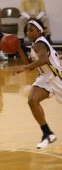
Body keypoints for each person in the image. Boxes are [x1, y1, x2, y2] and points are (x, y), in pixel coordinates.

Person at [12, 19, 62, 149]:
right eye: (27, 30)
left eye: (31, 30)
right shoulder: (35, 45)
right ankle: (47, 134)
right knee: (32, 100)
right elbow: (30, 65)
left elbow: (44, 60)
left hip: (57, 79)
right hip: (45, 78)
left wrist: (24, 68)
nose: (28, 33)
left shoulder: (39, 44)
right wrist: (18, 49)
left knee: (32, 101)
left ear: (39, 31)